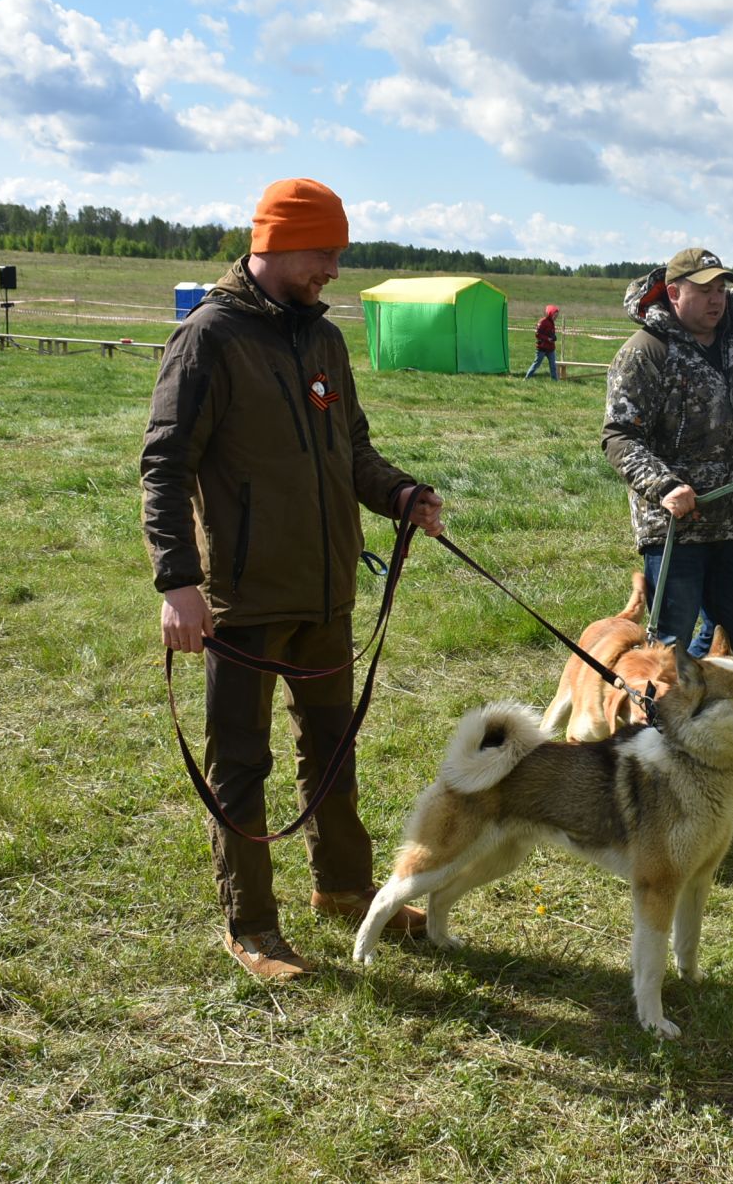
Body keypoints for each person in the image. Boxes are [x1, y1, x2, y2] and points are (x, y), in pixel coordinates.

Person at [141, 177, 447, 983]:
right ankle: (250, 927)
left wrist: (399, 493)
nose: (334, 272)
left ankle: (343, 886)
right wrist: (178, 581)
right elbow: (163, 465)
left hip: (324, 595)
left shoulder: (324, 343)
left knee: (333, 748)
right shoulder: (207, 338)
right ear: (276, 244)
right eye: (325, 254)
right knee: (241, 763)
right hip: (240, 600)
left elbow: (353, 448)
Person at [603, 246, 733, 654]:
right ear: (674, 292)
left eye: (721, 288)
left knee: (730, 636)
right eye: (703, 290)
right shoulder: (646, 351)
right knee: (669, 643)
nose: (716, 298)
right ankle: (658, 713)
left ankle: (695, 707)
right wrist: (664, 487)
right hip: (677, 525)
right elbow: (619, 435)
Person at [524, 303, 560, 380]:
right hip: (542, 348)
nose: (556, 317)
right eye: (555, 315)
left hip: (551, 349)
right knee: (536, 364)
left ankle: (555, 381)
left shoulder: (552, 322)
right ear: (550, 314)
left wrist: (554, 337)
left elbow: (551, 333)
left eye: (557, 316)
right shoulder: (542, 321)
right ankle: (526, 379)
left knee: (553, 366)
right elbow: (537, 334)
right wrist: (547, 339)